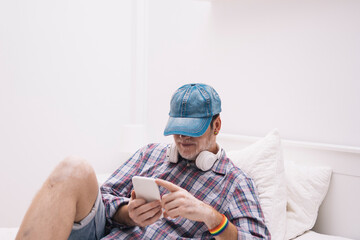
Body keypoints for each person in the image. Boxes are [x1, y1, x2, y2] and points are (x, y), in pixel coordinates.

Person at [16, 83, 270, 240]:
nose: (181, 138)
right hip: (109, 233)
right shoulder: (151, 153)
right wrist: (129, 214)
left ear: (216, 126)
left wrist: (211, 217)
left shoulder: (236, 181)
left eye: (192, 130)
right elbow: (104, 195)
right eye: (177, 129)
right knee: (74, 168)